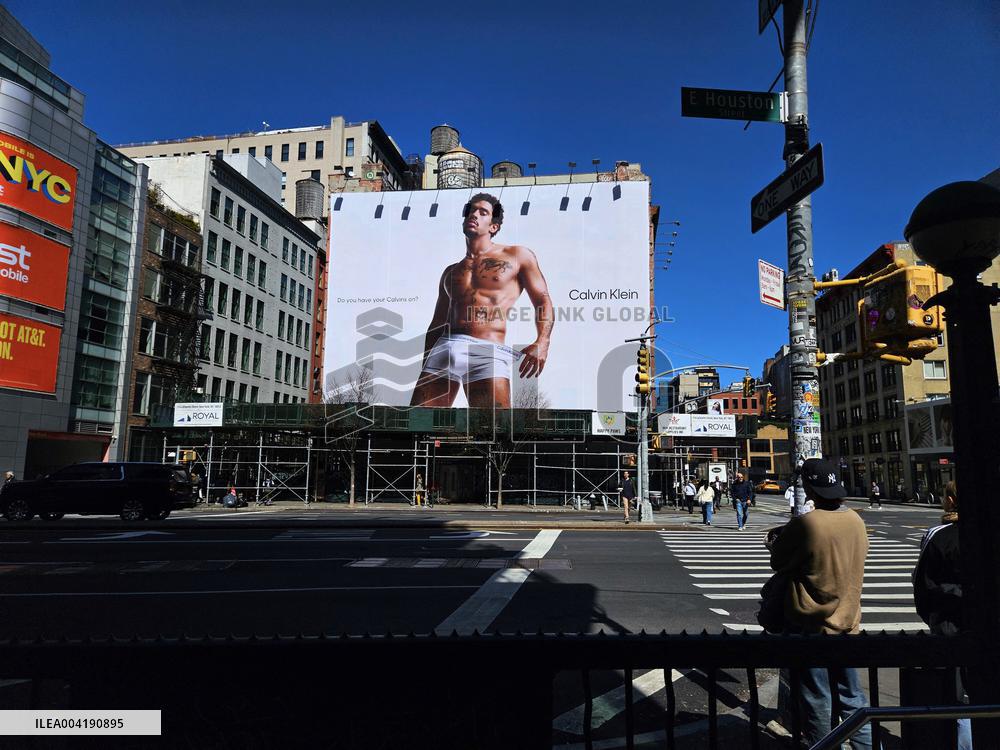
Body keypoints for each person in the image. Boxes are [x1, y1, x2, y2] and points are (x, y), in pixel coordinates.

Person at [766, 457, 872, 750]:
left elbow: (779, 560)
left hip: (811, 624)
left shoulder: (807, 524)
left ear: (810, 488)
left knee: (817, 696)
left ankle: (825, 745)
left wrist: (774, 541)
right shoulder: (856, 521)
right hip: (848, 622)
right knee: (853, 696)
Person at [410, 193, 554, 409]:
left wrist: (543, 342)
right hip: (445, 349)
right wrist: (426, 364)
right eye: (471, 210)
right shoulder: (450, 272)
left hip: (487, 351)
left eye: (482, 212)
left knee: (494, 426)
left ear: (493, 226)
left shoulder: (517, 256)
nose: (474, 215)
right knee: (418, 423)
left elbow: (542, 300)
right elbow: (437, 323)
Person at [912, 481, 971, 749]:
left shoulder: (938, 535)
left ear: (951, 500)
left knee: (957, 697)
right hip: (986, 626)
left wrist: (934, 618)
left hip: (949, 624)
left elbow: (923, 585)